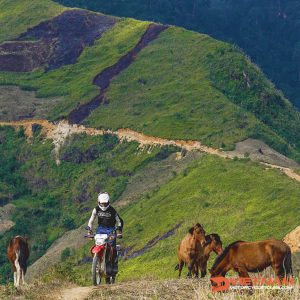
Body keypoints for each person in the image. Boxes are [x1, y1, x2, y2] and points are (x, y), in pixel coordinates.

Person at [87, 192, 123, 282]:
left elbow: (120, 221)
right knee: (98, 244)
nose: (103, 205)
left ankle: (113, 268)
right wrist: (89, 231)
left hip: (111, 230)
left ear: (108, 202)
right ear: (99, 202)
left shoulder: (112, 210)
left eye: (105, 203)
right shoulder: (96, 210)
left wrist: (119, 231)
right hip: (100, 230)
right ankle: (98, 261)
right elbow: (91, 221)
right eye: (102, 203)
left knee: (112, 248)